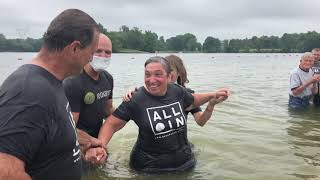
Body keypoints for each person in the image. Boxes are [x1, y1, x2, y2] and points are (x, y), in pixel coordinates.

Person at [0, 9, 102, 180]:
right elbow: (4, 170)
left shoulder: (50, 82)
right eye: (91, 53)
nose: (91, 60)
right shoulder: (28, 91)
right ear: (75, 48)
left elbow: (48, 128)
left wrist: (84, 140)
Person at [89, 56, 230, 172]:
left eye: (158, 74)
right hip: (149, 169)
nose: (152, 80)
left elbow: (194, 99)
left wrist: (213, 95)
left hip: (185, 165)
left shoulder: (178, 91)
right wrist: (100, 147)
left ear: (169, 76)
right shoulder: (136, 99)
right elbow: (111, 125)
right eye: (147, 75)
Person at [124, 54, 218, 126]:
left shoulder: (185, 94)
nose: (167, 72)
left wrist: (211, 105)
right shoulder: (150, 92)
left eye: (170, 69)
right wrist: (131, 94)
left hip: (178, 143)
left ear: (179, 73)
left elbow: (200, 121)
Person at [63, 33, 114, 163]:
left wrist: (131, 104)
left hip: (99, 142)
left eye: (108, 52)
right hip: (76, 146)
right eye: (98, 51)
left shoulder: (108, 79)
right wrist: (89, 146)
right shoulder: (73, 82)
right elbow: (67, 128)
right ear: (89, 51)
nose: (103, 56)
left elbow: (108, 112)